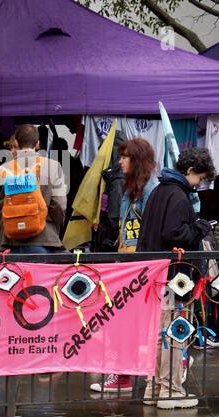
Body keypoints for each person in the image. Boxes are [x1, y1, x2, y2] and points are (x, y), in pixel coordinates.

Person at [137, 148, 217, 410]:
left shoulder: (160, 191)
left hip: (156, 275)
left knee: (160, 334)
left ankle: (154, 388)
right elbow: (176, 233)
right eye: (200, 178)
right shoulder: (179, 196)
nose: (200, 184)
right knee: (173, 333)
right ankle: (170, 390)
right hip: (174, 277)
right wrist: (202, 226)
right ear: (190, 171)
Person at [92, 138, 157, 395]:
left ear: (138, 159)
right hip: (128, 266)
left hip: (146, 268)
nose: (120, 161)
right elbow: (122, 229)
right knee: (123, 322)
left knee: (147, 325)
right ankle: (122, 375)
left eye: (125, 157)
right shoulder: (130, 190)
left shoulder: (153, 189)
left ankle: (175, 363)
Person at [0, 124, 68, 255]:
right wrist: (50, 225)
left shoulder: (2, 170)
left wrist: (9, 224)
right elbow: (59, 205)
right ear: (37, 143)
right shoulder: (53, 167)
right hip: (43, 240)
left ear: (16, 142)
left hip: (8, 243)